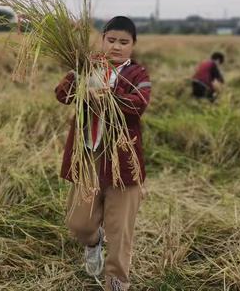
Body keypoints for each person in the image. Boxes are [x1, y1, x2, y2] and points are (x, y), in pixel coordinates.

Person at [55, 16, 152, 291]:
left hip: (123, 162)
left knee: (120, 231)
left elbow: (138, 105)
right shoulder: (88, 67)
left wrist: (107, 95)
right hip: (88, 157)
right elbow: (62, 95)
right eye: (111, 40)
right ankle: (93, 242)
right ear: (102, 40)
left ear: (133, 45)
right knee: (79, 224)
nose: (116, 47)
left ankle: (116, 282)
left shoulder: (138, 74)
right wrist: (80, 80)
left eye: (124, 42)